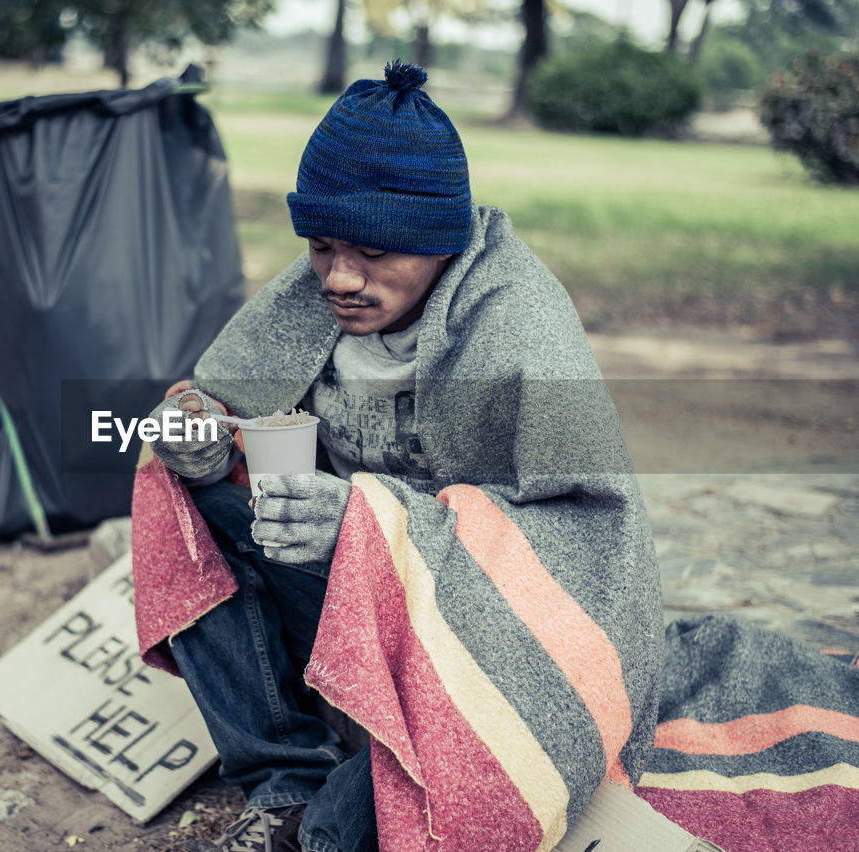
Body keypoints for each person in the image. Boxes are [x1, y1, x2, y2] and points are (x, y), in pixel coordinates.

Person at [132, 61, 663, 852]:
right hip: (351, 593)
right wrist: (199, 440)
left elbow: (583, 543)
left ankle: (331, 806)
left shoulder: (516, 324)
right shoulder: (314, 290)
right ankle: (281, 778)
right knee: (175, 494)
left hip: (481, 640)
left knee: (353, 834)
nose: (341, 277)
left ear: (437, 240)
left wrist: (374, 524)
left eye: (375, 253)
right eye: (321, 246)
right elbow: (221, 404)